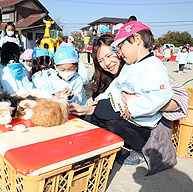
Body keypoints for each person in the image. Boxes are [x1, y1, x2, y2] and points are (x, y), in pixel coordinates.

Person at [70, 34, 187, 169]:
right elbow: (107, 98)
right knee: (92, 114)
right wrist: (86, 109)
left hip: (146, 127)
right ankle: (104, 146)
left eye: (109, 55)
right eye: (100, 60)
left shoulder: (145, 68)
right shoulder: (112, 76)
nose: (106, 63)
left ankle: (137, 149)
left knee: (106, 113)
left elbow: (179, 100)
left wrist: (138, 101)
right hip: (127, 118)